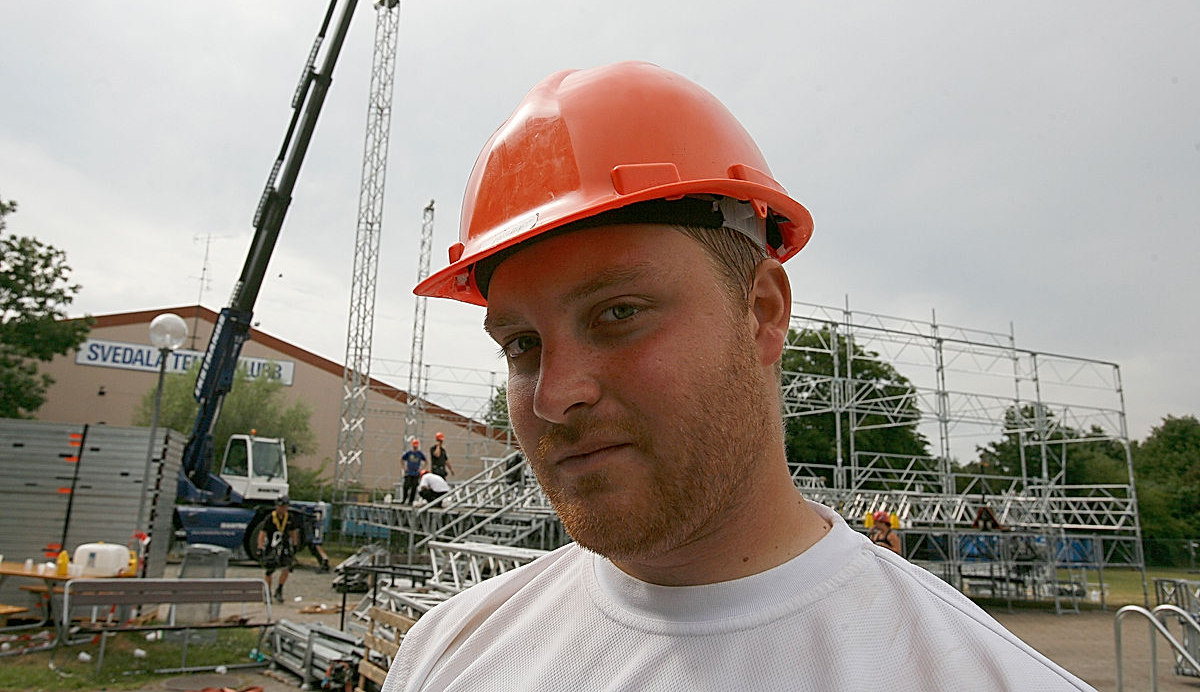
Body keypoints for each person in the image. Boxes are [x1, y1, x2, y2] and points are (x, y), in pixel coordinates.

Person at [382, 62, 1094, 691]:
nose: (556, 393)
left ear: (761, 312)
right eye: (522, 344)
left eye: (618, 312)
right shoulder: (448, 654)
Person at [258, 494, 299, 603]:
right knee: (269, 570)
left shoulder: (289, 517)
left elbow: (293, 532)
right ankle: (267, 592)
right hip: (272, 546)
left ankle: (279, 589)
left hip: (284, 545)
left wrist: (295, 545)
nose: (281, 509)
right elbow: (262, 533)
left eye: (284, 506)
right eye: (280, 506)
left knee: (286, 568)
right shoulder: (270, 517)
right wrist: (260, 547)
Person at [400, 438, 427, 505]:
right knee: (406, 486)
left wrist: (421, 469)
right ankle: (404, 499)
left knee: (414, 487)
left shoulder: (420, 453)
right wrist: (404, 467)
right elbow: (401, 459)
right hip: (409, 472)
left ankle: (411, 501)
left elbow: (426, 461)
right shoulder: (409, 453)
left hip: (416, 473)